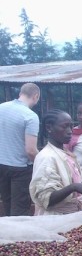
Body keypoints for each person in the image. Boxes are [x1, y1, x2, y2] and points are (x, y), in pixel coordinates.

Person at [29, 110, 82, 215]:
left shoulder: (65, 153)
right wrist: (74, 187)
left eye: (71, 126)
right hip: (54, 219)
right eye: (64, 127)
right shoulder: (47, 157)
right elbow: (46, 199)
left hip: (70, 217)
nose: (70, 131)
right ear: (49, 128)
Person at [0, 83, 40, 216]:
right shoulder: (30, 116)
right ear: (35, 96)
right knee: (20, 211)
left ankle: (6, 234)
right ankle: (17, 236)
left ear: (20, 93)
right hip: (20, 169)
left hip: (1, 164)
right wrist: (42, 164)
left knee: (7, 204)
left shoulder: (2, 108)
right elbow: (30, 150)